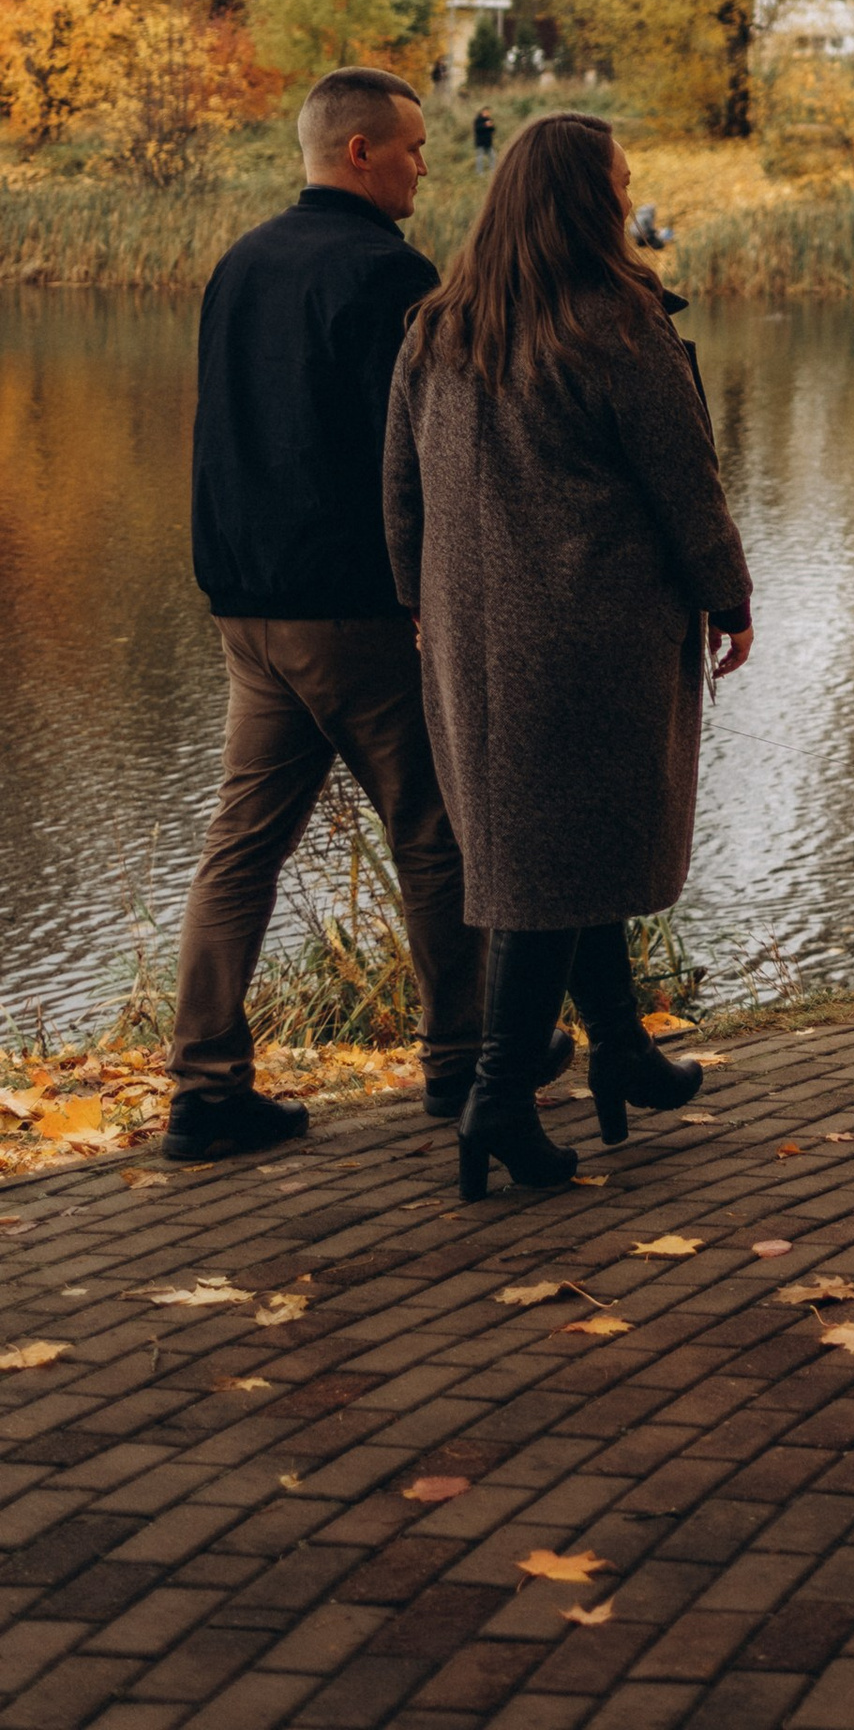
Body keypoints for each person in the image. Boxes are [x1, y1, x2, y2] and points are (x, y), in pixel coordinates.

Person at [385, 111, 754, 1199]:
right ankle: (499, 1099)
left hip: (471, 638)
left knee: (555, 850)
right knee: (553, 869)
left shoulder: (434, 327)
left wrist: (419, 604)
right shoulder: (613, 326)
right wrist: (728, 598)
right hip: (593, 638)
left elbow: (398, 497)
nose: (630, 196)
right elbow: (687, 485)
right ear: (588, 202)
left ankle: (621, 1050)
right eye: (621, 182)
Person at [169, 69, 502, 1161]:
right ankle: (464, 1066)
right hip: (351, 610)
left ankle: (206, 1091)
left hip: (248, 608)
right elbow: (418, 456)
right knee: (435, 832)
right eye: (410, 146)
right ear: (358, 153)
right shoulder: (386, 273)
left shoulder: (240, 263)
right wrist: (435, 594)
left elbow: (223, 429)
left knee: (240, 847)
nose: (422, 163)